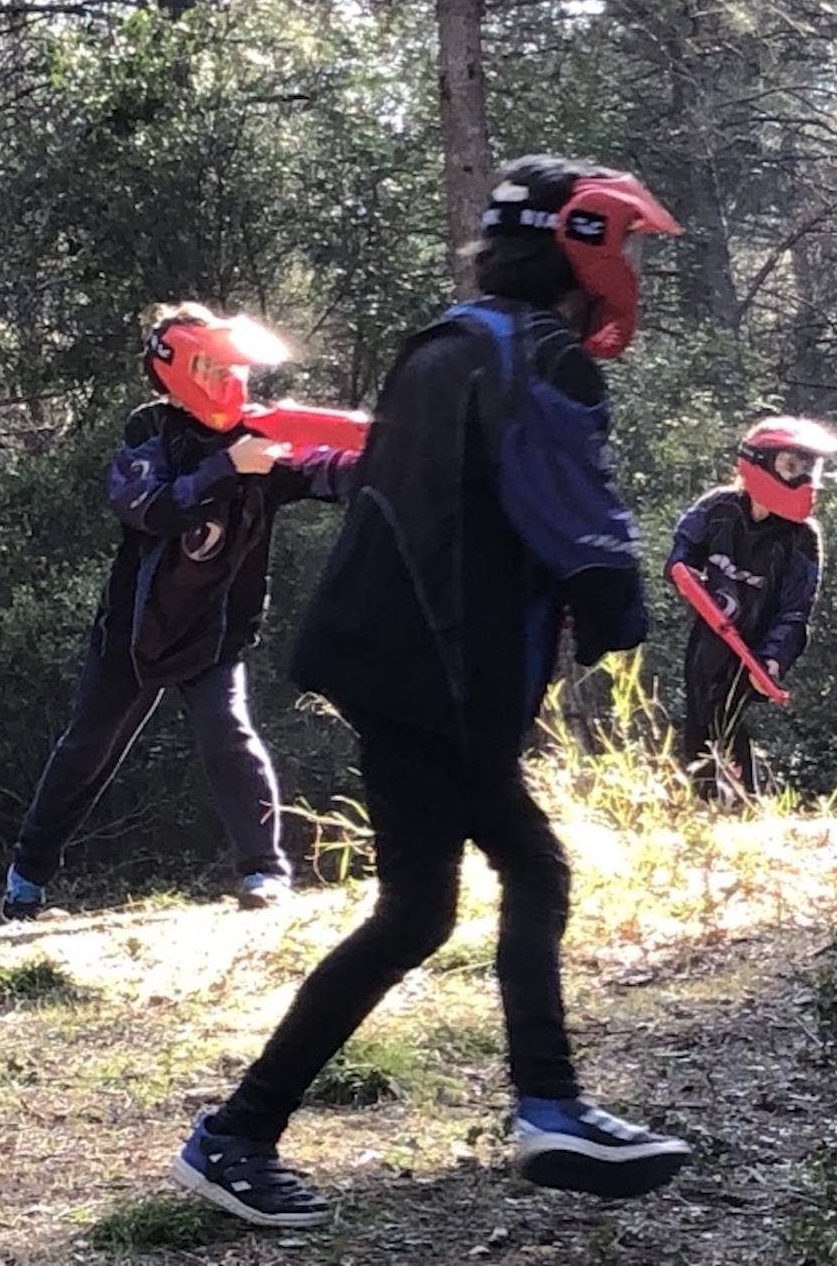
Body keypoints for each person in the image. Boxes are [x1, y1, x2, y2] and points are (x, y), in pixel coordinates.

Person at [169, 156, 691, 1227]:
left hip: (393, 662)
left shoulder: (449, 340)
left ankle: (543, 1103)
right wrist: (612, 604)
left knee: (495, 881)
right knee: (430, 907)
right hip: (446, 675)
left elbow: (394, 480)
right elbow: (572, 505)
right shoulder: (540, 356)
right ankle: (241, 1132)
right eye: (622, 248)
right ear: (580, 244)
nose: (626, 270)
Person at [0, 305, 356, 921]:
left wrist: (396, 455)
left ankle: (263, 872)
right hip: (134, 635)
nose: (228, 380)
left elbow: (327, 469)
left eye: (231, 368)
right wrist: (227, 467)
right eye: (211, 368)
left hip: (214, 634)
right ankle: (26, 879)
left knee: (229, 737)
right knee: (88, 748)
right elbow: (148, 505)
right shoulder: (151, 431)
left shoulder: (257, 435)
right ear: (177, 370)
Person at [668, 418, 837, 801]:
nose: (803, 481)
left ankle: (741, 799)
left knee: (724, 710)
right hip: (710, 636)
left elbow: (796, 611)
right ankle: (708, 799)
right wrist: (683, 570)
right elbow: (681, 554)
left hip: (756, 647)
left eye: (808, 470)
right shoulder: (717, 509)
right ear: (758, 462)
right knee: (700, 710)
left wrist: (772, 660)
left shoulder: (802, 539)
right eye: (791, 467)